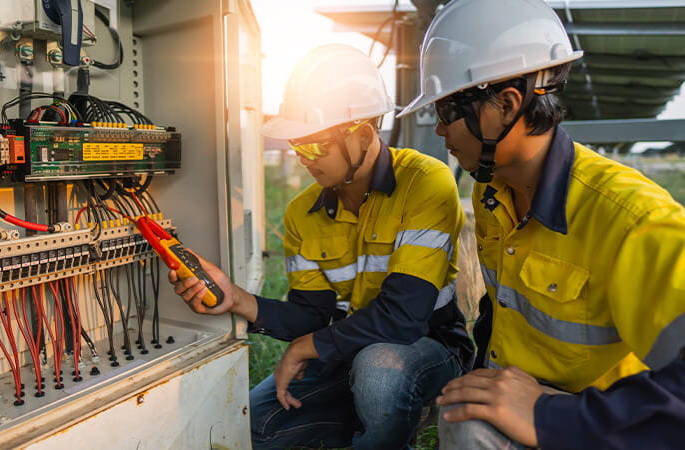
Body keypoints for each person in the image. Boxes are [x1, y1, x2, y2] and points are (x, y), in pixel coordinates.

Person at [397, 0, 685, 448]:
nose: (439, 130)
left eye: (448, 112)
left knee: (469, 427)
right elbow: (502, 309)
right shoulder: (491, 192)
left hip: (604, 423)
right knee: (463, 411)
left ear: (506, 104)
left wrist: (553, 416)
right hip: (533, 397)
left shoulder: (632, 219)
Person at [168, 44, 473, 449]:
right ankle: (360, 422)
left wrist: (309, 347)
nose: (305, 160)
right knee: (254, 428)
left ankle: (391, 426)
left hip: (428, 348)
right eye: (298, 147)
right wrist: (237, 298)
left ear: (363, 135)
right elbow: (311, 316)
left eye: (315, 146)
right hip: (349, 349)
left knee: (380, 370)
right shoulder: (302, 213)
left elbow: (405, 317)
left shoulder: (425, 183)